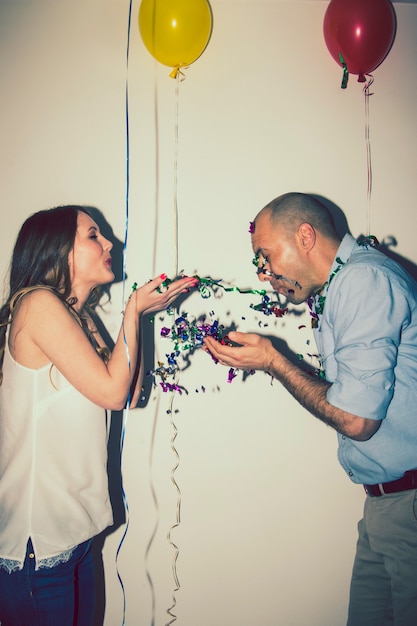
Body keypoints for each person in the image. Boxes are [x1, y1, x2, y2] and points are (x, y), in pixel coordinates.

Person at [203, 192, 417, 626]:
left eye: (265, 256)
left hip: (408, 507)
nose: (264, 274)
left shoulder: (364, 281)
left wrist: (274, 360)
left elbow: (357, 420)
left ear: (305, 236)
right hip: (384, 506)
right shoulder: (341, 287)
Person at [0, 204, 198, 626]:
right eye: (94, 235)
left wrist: (139, 317)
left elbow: (128, 391)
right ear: (58, 250)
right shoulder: (37, 304)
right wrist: (131, 311)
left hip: (77, 537)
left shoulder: (78, 316)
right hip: (40, 548)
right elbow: (113, 392)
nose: (110, 243)